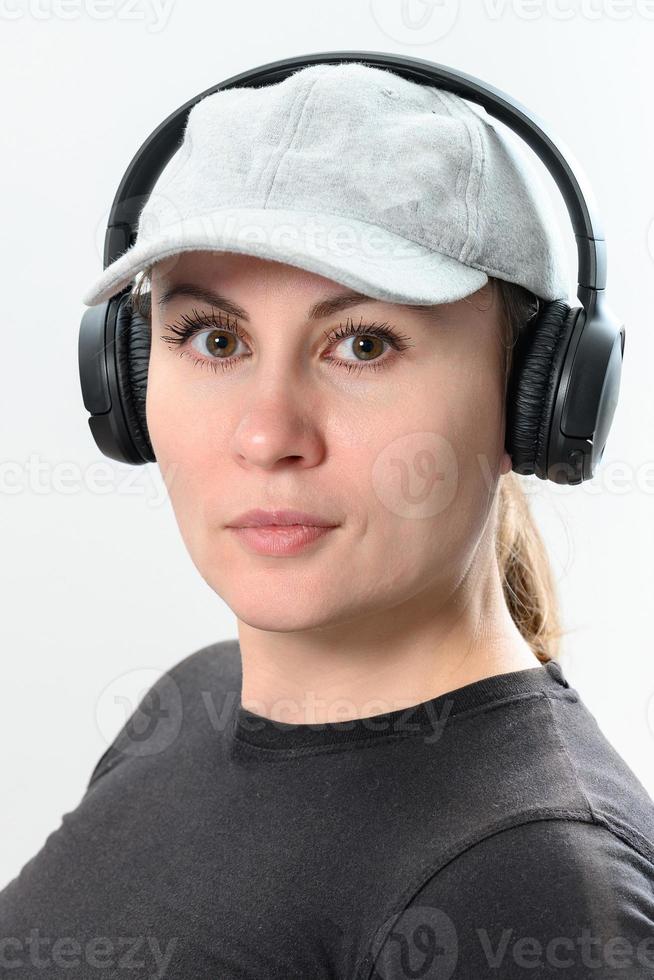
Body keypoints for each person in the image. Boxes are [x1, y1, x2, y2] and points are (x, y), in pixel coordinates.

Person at [1, 61, 653, 979]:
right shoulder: (194, 701)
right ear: (127, 373)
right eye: (215, 340)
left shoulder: (525, 880)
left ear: (533, 402)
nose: (269, 435)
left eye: (363, 344)